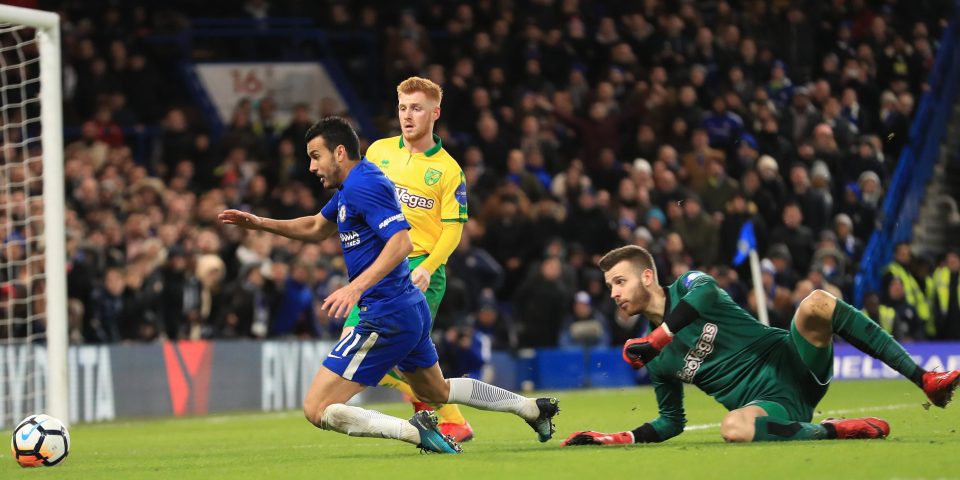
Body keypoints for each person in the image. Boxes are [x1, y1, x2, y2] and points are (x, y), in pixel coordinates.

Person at [219, 117, 558, 454]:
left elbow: (401, 244)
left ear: (339, 152)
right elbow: (315, 227)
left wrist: (355, 288)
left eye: (315, 156)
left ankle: (414, 432)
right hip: (405, 309)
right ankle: (530, 408)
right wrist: (260, 223)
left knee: (316, 408)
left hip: (384, 314)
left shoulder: (364, 185)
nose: (311, 166)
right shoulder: (351, 188)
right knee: (436, 392)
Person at [561, 245, 959, 446]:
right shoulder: (657, 360)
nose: (613, 293)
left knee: (816, 302)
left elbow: (706, 296)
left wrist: (658, 337)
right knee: (733, 428)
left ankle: (926, 378)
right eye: (609, 285)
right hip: (773, 406)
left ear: (647, 277)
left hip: (794, 359)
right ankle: (829, 431)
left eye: (619, 281)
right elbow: (672, 421)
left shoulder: (688, 284)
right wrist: (614, 437)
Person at [344, 76, 474, 441]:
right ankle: (447, 415)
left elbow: (453, 230)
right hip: (378, 266)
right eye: (402, 107)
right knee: (359, 341)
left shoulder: (448, 171)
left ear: (435, 113)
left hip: (419, 269)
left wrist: (429, 268)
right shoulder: (378, 152)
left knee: (393, 351)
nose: (407, 115)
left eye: (416, 108)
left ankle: (444, 415)